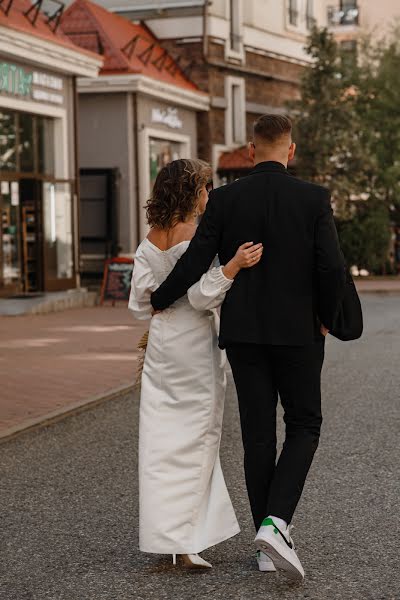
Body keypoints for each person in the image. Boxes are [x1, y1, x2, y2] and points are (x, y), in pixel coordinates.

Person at [150, 115, 346, 581]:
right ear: (291, 151)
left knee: (258, 435)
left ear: (251, 150)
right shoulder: (314, 198)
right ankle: (276, 526)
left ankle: (265, 543)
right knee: (304, 425)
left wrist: (160, 298)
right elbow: (332, 267)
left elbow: (198, 258)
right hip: (300, 333)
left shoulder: (225, 198)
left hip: (244, 335)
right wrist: (327, 318)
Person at [128, 158, 264, 570]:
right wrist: (233, 267)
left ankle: (167, 539)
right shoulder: (198, 236)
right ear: (193, 191)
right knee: (198, 438)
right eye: (205, 188)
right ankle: (186, 542)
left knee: (160, 443)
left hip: (161, 346)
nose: (209, 195)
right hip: (194, 345)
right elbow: (204, 296)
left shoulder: (150, 239)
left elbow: (139, 303)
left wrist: (160, 304)